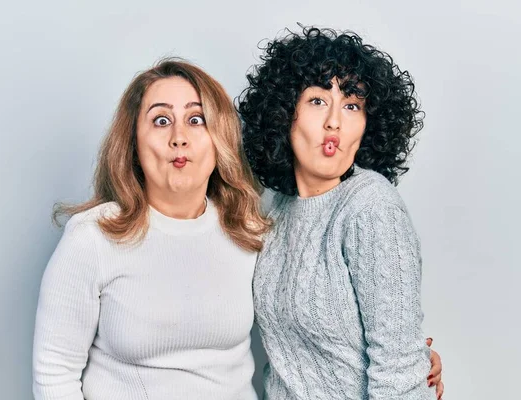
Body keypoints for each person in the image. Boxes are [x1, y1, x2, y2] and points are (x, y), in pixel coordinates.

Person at [32, 59, 270, 399]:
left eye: (196, 119)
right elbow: (54, 371)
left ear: (220, 137)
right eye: (161, 121)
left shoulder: (249, 231)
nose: (179, 138)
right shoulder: (93, 237)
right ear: (133, 144)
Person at [239, 27, 444, 399]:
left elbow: (399, 372)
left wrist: (415, 361)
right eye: (318, 101)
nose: (335, 120)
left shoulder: (371, 207)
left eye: (352, 105)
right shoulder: (275, 207)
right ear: (286, 114)